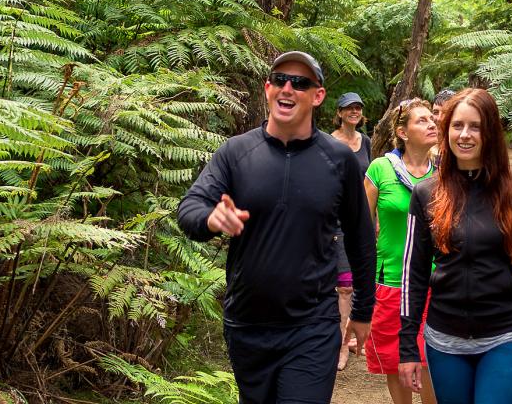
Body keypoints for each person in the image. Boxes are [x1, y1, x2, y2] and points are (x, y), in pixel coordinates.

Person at [178, 52, 377, 404]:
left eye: (300, 83)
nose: (288, 87)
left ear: (317, 96)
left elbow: (361, 239)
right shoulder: (236, 152)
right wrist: (211, 220)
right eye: (280, 79)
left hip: (312, 325)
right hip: (248, 325)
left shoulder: (338, 159)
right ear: (267, 89)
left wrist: (362, 311)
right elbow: (189, 209)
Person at [399, 88, 512, 404]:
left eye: (475, 126)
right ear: (447, 130)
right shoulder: (426, 193)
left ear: (491, 133)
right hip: (444, 340)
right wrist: (407, 346)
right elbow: (413, 274)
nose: (465, 135)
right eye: (457, 126)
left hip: (507, 336)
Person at [363, 99, 439, 404]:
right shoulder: (380, 169)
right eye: (422, 120)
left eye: (432, 118)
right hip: (392, 280)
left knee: (432, 360)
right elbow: (360, 227)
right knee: (397, 360)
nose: (432, 123)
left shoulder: (445, 172)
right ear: (402, 132)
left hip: (437, 281)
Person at [330, 92, 373, 370]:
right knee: (344, 286)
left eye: (358, 108)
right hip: (335, 221)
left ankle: (358, 335)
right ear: (340, 113)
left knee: (362, 281)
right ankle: (341, 346)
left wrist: (374, 219)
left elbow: (371, 182)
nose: (354, 112)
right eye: (349, 108)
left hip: (361, 220)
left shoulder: (366, 142)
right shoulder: (329, 141)